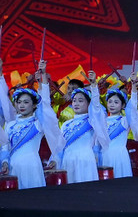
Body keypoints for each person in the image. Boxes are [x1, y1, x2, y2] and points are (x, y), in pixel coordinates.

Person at [0, 60, 64, 189]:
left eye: (26, 102)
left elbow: (45, 103)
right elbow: (5, 147)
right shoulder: (10, 125)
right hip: (13, 167)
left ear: (34, 105)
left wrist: (43, 77)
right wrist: (5, 162)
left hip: (32, 167)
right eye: (19, 102)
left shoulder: (38, 124)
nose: (22, 105)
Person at [59, 71, 110, 183]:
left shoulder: (92, 120)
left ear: (88, 103)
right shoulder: (66, 124)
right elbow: (59, 146)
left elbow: (96, 107)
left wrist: (93, 86)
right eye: (74, 101)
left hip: (85, 161)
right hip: (67, 160)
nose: (76, 103)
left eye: (81, 101)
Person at [102, 76, 138, 178]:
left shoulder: (124, 121)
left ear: (123, 105)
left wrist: (134, 89)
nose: (112, 105)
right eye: (109, 102)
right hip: (104, 155)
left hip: (120, 156)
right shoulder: (102, 122)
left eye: (116, 102)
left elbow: (132, 106)